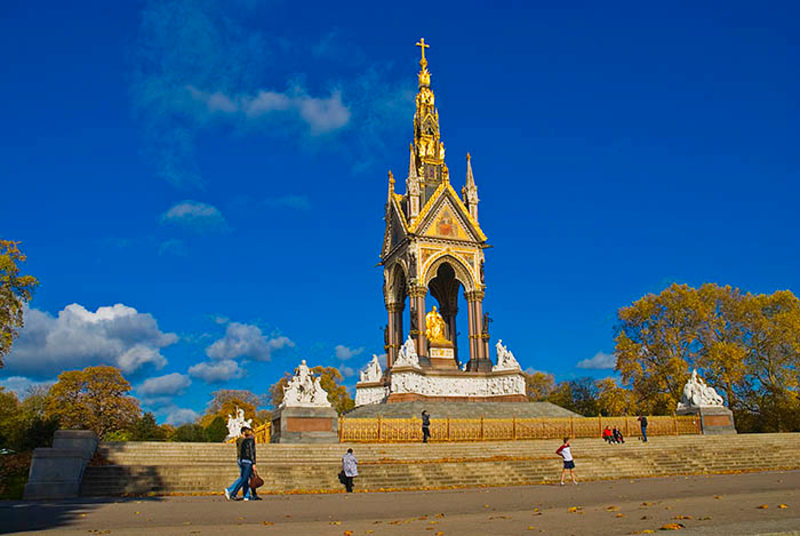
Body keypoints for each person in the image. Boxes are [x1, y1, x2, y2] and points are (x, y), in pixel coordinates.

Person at [224, 426, 257, 501]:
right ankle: (231, 491)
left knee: (246, 478)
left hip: (243, 460)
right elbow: (251, 452)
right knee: (243, 478)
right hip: (246, 461)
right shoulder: (245, 440)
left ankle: (247, 495)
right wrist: (253, 463)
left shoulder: (244, 440)